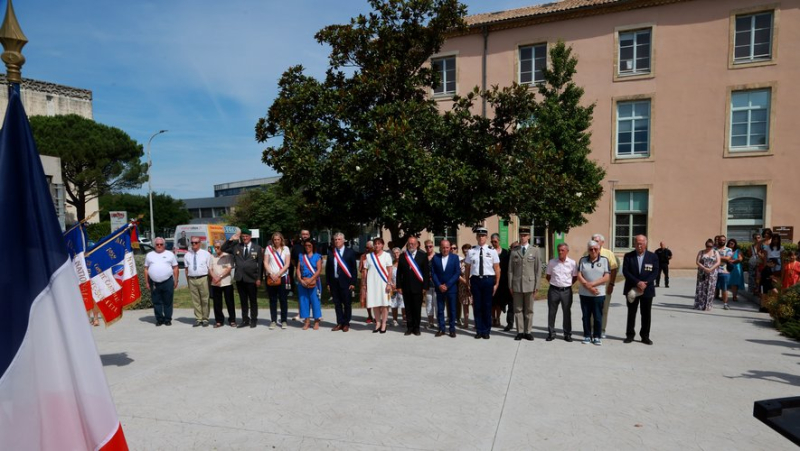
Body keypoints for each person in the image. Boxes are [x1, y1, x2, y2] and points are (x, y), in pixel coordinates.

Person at [222, 228, 263, 328]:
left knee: (253, 300)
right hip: (240, 278)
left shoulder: (257, 248)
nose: (245, 238)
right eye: (243, 236)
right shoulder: (237, 247)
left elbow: (260, 265)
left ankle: (254, 319)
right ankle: (245, 320)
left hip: (252, 278)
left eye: (246, 236)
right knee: (243, 300)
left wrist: (259, 279)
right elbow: (223, 248)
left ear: (250, 237)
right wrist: (231, 239)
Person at [622, 235, 659, 345]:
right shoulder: (628, 256)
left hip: (647, 289)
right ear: (634, 243)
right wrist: (637, 282)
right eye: (637, 243)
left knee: (646, 314)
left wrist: (645, 283)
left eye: (641, 243)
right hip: (632, 289)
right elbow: (626, 271)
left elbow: (655, 272)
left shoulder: (653, 256)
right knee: (631, 313)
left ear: (645, 243)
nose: (639, 245)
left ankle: (645, 336)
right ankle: (630, 335)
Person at [465, 227, 500, 340]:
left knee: (487, 306)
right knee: (477, 306)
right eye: (479, 236)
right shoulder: (471, 251)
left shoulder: (492, 251)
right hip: (475, 280)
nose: (481, 238)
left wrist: (497, 283)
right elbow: (467, 268)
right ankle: (479, 330)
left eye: (483, 236)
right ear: (476, 237)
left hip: (488, 280)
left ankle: (486, 330)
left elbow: (497, 268)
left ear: (486, 237)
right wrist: (467, 282)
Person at [508, 227, 541, 341]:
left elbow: (538, 270)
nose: (523, 237)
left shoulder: (535, 250)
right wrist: (510, 285)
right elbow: (510, 270)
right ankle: (520, 331)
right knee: (518, 309)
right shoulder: (514, 251)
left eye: (525, 235)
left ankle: (528, 331)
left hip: (530, 285)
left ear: (529, 237)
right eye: (521, 235)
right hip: (517, 284)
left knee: (529, 310)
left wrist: (536, 286)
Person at [577, 240, 610, 345]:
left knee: (598, 316)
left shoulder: (604, 260)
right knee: (586, 315)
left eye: (595, 249)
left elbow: (606, 277)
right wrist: (588, 287)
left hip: (598, 294)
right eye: (591, 249)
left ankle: (597, 336)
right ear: (588, 250)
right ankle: (587, 335)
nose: (593, 251)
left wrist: (592, 285)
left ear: (599, 249)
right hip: (585, 293)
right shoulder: (583, 260)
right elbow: (579, 275)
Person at [396, 236, 429, 336]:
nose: (411, 245)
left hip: (418, 287)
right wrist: (399, 286)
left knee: (417, 308)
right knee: (408, 308)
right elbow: (399, 273)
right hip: (406, 287)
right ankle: (409, 327)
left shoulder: (422, 256)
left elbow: (426, 273)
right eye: (409, 243)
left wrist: (425, 287)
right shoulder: (403, 256)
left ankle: (416, 327)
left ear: (417, 244)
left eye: (413, 243)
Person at [545, 243, 577, 342]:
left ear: (567, 251)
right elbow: (548, 276)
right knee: (551, 312)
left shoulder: (572, 263)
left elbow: (575, 277)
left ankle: (567, 334)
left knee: (567, 312)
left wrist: (566, 284)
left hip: (566, 291)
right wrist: (555, 284)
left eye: (562, 250)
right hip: (554, 290)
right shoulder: (552, 262)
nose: (560, 252)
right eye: (559, 250)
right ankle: (551, 333)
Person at [143, 237, 179, 326]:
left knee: (168, 302)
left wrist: (176, 280)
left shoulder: (170, 254)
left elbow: (175, 268)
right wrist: (147, 282)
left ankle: (167, 319)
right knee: (156, 302)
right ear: (154, 245)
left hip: (167, 281)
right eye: (157, 244)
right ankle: (159, 319)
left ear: (164, 245)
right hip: (154, 282)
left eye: (161, 244)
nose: (159, 246)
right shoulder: (149, 255)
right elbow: (146, 269)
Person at [326, 232, 358, 332]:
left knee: (347, 304)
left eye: (339, 239)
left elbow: (354, 269)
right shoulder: (331, 252)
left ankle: (346, 323)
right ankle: (339, 322)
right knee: (337, 304)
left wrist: (353, 282)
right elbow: (328, 269)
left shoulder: (350, 252)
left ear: (343, 240)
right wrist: (328, 283)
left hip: (346, 282)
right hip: (334, 282)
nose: (337, 241)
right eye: (335, 239)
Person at [362, 238, 393, 334]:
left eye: (379, 244)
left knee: (384, 304)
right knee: (375, 304)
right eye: (375, 244)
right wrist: (365, 284)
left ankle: (384, 324)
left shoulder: (387, 255)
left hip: (383, 283)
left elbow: (390, 270)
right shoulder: (369, 256)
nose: (377, 246)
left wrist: (389, 283)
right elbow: (365, 271)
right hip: (372, 283)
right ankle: (377, 323)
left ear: (382, 245)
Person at [591, 234, 618, 339]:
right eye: (593, 240)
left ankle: (602, 329)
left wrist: (611, 284)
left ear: (602, 242)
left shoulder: (608, 254)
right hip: (592, 285)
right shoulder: (588, 252)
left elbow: (614, 269)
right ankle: (592, 328)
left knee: (604, 308)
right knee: (591, 308)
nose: (595, 243)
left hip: (605, 285)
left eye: (597, 241)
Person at [431, 239, 460, 338]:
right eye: (443, 247)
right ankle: (441, 329)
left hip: (451, 288)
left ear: (450, 248)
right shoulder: (435, 258)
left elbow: (457, 273)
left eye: (447, 247)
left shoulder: (455, 258)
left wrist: (447, 285)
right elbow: (433, 273)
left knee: (452, 310)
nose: (445, 249)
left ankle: (452, 329)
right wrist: (439, 285)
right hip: (439, 288)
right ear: (440, 248)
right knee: (440, 310)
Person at [265, 232, 291, 330]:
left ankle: (284, 320)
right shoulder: (269, 249)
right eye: (275, 239)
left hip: (282, 276)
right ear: (272, 240)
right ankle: (273, 321)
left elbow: (287, 264)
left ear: (281, 240)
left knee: (283, 299)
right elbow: (265, 262)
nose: (276, 241)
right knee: (272, 300)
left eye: (278, 239)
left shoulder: (286, 249)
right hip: (271, 277)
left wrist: (278, 274)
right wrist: (271, 274)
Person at [184, 236, 213, 327]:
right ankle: (198, 318)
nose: (194, 244)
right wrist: (188, 281)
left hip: (203, 278)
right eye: (192, 243)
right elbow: (186, 269)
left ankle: (205, 319)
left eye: (196, 242)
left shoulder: (206, 254)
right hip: (192, 279)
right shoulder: (187, 255)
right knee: (195, 300)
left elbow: (209, 268)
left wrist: (211, 281)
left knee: (205, 299)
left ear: (200, 243)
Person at [296, 239, 323, 330]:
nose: (307, 247)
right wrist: (300, 279)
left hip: (314, 282)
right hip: (303, 282)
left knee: (315, 302)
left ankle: (316, 321)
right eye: (306, 245)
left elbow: (319, 270)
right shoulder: (301, 256)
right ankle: (307, 321)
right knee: (304, 301)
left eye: (309, 245)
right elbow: (298, 269)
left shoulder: (317, 256)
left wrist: (311, 279)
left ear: (313, 246)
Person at [210, 240, 236, 328]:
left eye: (218, 247)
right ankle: (219, 320)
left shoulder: (228, 256)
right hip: (215, 283)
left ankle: (232, 320)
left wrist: (220, 277)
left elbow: (229, 268)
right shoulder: (212, 256)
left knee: (230, 302)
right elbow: (210, 269)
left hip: (226, 282)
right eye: (215, 247)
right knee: (217, 303)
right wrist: (215, 278)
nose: (216, 249)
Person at [290, 229, 312, 320]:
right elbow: (292, 259)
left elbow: (319, 258)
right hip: (300, 274)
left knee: (313, 295)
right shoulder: (296, 247)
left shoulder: (314, 245)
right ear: (300, 235)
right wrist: (298, 267)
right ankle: (300, 313)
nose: (305, 236)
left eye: (306, 234)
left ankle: (314, 314)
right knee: (301, 295)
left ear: (309, 235)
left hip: (312, 274)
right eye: (303, 234)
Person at [490, 233, 511, 329]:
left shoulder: (505, 252)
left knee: (499, 301)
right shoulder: (489, 251)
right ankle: (492, 317)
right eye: (492, 241)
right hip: (491, 279)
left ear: (499, 241)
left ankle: (498, 318)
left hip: (502, 281)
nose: (494, 243)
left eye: (495, 241)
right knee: (492, 301)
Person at [693, 239, 720, 311]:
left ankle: (708, 305)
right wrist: (704, 268)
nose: (709, 247)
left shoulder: (715, 252)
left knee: (711, 288)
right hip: (702, 272)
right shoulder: (701, 252)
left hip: (712, 273)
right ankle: (700, 304)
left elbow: (718, 262)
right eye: (707, 246)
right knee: (701, 288)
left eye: (710, 246)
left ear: (713, 246)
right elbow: (697, 262)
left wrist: (711, 269)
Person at [714, 235, 733, 309]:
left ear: (725, 241)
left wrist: (716, 257)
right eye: (720, 240)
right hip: (714, 270)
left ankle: (725, 303)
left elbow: (728, 258)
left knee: (724, 288)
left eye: (723, 240)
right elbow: (711, 257)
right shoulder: (713, 249)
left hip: (724, 271)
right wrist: (722, 258)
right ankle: (709, 302)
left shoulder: (728, 249)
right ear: (717, 240)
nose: (722, 241)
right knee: (712, 287)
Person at [359, 240, 375, 325]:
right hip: (366, 280)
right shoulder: (363, 256)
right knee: (367, 299)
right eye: (366, 248)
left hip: (375, 280)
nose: (367, 249)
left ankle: (377, 316)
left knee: (376, 298)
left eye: (369, 248)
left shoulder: (377, 256)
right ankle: (369, 316)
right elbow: (360, 268)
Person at [389, 247, 407, 327]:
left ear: (400, 253)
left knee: (403, 304)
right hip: (393, 287)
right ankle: (394, 320)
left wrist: (400, 285)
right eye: (394, 253)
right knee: (394, 304)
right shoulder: (391, 264)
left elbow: (406, 276)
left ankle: (404, 319)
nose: (396, 254)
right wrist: (392, 284)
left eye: (397, 253)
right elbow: (388, 276)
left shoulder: (404, 263)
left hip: (402, 287)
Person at [458, 243, 473, 329]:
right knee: (465, 304)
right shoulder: (461, 262)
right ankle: (466, 323)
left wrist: (470, 283)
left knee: (474, 304)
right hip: (463, 285)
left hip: (473, 285)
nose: (466, 253)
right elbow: (458, 274)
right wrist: (466, 282)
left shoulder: (474, 261)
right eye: (464, 252)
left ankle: (476, 323)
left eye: (467, 251)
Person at [423, 239, 437, 329]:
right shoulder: (423, 257)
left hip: (437, 284)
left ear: (433, 246)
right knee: (428, 304)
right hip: (427, 284)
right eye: (426, 247)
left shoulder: (438, 257)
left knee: (437, 304)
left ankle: (439, 322)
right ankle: (430, 322)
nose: (428, 248)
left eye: (430, 246)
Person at [726, 238, 744, 303]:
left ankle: (734, 296)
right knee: (726, 281)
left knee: (734, 283)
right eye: (730, 243)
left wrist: (732, 261)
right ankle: (725, 296)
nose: (731, 244)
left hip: (736, 268)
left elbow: (740, 259)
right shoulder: (726, 250)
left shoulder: (738, 251)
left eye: (733, 243)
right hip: (727, 267)